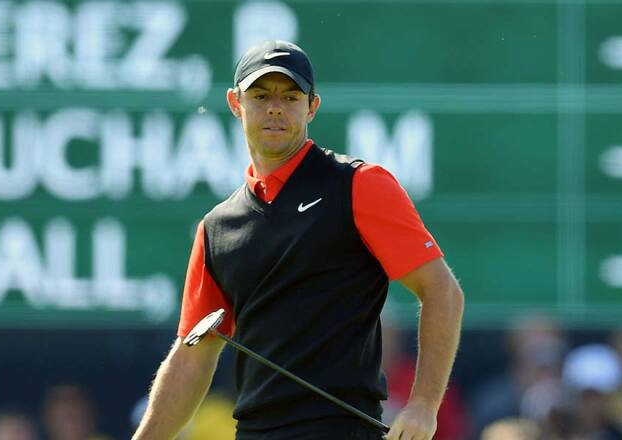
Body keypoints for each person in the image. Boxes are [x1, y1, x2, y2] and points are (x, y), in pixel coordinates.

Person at [132, 40, 466, 440]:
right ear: (235, 103)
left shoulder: (359, 186)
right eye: (260, 95)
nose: (275, 107)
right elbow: (192, 358)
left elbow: (441, 291)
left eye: (290, 97)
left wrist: (423, 406)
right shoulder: (216, 228)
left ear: (312, 107)